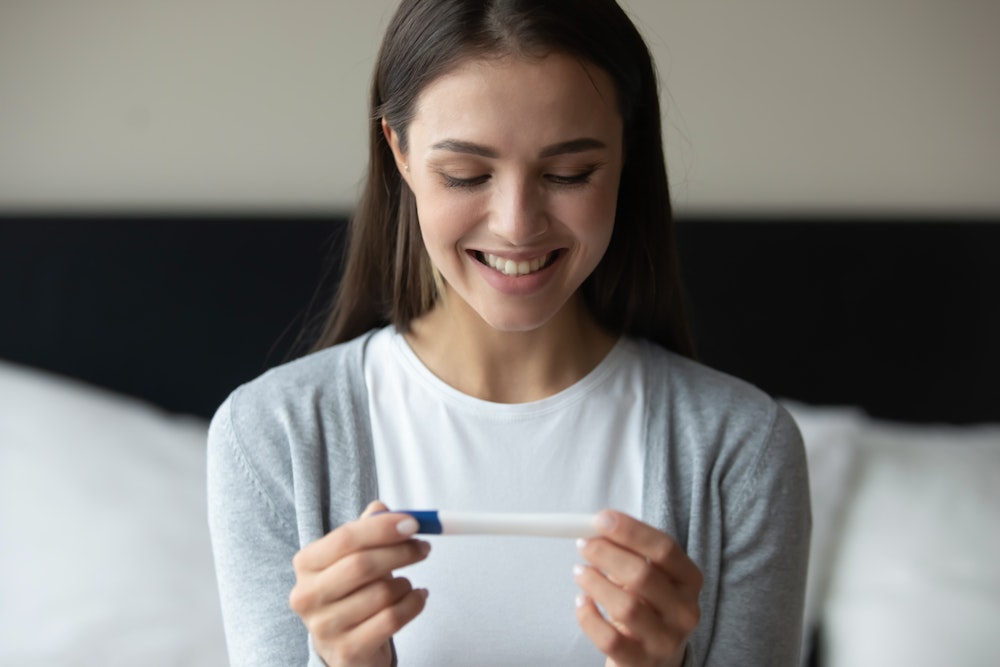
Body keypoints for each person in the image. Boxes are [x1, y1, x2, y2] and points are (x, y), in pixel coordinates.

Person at [206, 0, 811, 665]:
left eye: (569, 174)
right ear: (399, 152)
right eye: (466, 174)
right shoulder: (274, 435)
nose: (517, 224)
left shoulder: (742, 449)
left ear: (626, 155)